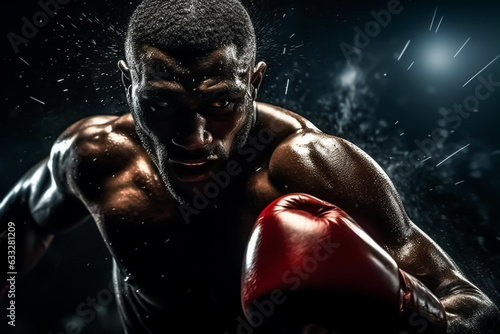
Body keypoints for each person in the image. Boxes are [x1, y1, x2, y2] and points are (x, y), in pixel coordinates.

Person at [1, 0, 499, 333]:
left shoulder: (312, 167)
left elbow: (473, 309)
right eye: (162, 105)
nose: (193, 137)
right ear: (129, 82)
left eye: (221, 105)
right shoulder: (97, 156)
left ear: (254, 82)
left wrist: (416, 311)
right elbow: (17, 216)